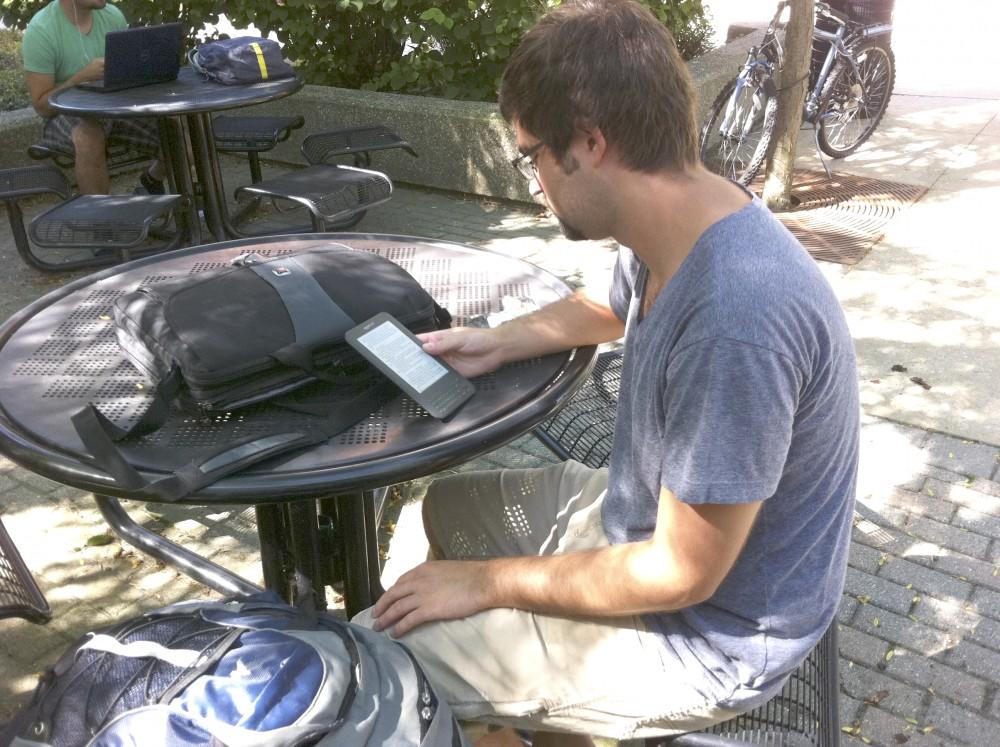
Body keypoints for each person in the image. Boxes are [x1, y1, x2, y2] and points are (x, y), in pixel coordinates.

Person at [354, 1, 860, 744]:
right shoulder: (678, 214)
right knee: (439, 511)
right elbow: (605, 304)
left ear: (589, 144)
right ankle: (503, 714)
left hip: (705, 635)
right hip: (644, 515)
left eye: (530, 155)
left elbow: (680, 575)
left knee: (377, 659)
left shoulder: (737, 319)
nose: (531, 181)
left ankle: (472, 706)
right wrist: (495, 341)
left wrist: (488, 582)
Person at [21, 0, 165, 195]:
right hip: (65, 113)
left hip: (114, 107)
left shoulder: (113, 16)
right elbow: (42, 106)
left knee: (177, 129)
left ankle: (153, 179)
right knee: (88, 136)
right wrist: (80, 78)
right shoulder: (41, 30)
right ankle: (101, 220)